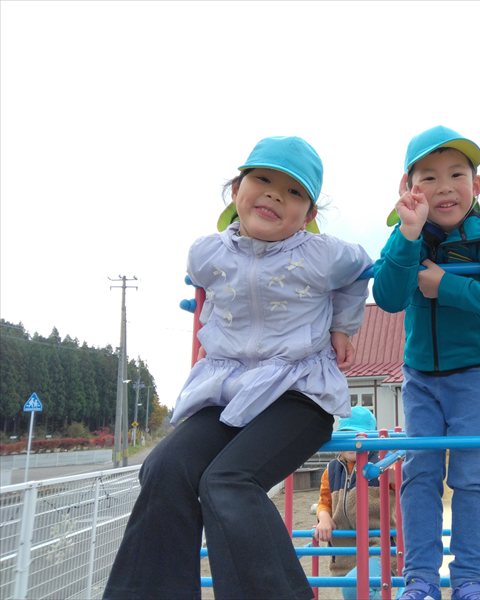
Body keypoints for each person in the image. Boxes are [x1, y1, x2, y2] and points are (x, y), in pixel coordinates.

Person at [103, 135, 373, 600]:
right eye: (262, 180)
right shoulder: (207, 253)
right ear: (235, 190)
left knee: (227, 481)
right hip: (229, 394)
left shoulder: (321, 254)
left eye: (293, 192)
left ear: (308, 214)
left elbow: (361, 270)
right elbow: (210, 293)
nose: (274, 195)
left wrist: (342, 327)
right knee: (165, 467)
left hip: (297, 392)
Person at [372, 125, 480, 600]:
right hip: (419, 378)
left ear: (476, 185)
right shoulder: (406, 236)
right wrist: (408, 235)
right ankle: (420, 578)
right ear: (408, 188)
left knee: (473, 476)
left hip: (471, 377)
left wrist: (446, 284)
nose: (444, 187)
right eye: (429, 177)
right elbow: (387, 297)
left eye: (456, 175)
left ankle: (470, 580)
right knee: (420, 475)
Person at [313, 406, 396, 599]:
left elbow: (402, 489)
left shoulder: (383, 464)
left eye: (359, 436)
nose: (353, 443)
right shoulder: (331, 470)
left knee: (356, 587)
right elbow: (324, 502)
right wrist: (324, 518)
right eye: (347, 435)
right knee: (353, 592)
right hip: (345, 551)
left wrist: (394, 475)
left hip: (379, 547)